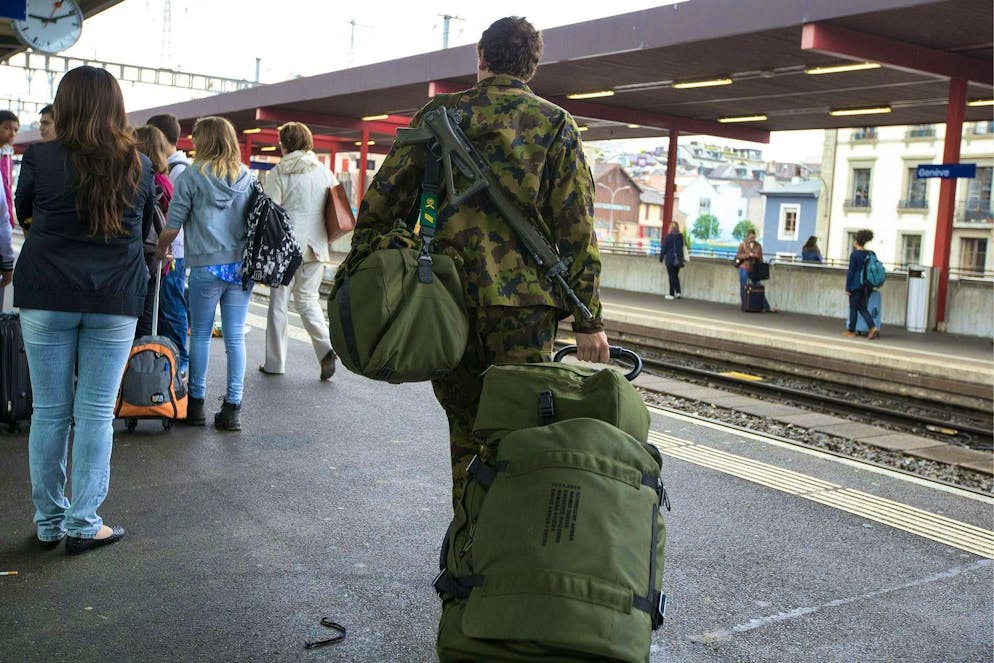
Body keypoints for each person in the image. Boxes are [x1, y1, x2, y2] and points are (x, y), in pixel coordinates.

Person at [353, 16, 609, 504]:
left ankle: (468, 537)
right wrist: (588, 320)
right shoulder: (555, 124)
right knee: (522, 430)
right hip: (527, 312)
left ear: (481, 56)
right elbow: (576, 229)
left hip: (447, 302)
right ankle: (511, 538)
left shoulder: (439, 115)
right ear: (532, 66)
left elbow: (381, 204)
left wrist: (374, 272)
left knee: (466, 430)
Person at [13, 66, 154, 554]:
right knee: (95, 414)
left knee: (50, 412)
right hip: (114, 298)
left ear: (65, 105)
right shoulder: (139, 164)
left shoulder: (41, 156)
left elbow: (24, 213)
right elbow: (141, 228)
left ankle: (49, 522)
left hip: (46, 292)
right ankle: (83, 523)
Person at [155, 116, 253, 431]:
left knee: (199, 334)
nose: (193, 142)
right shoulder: (247, 177)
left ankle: (195, 405)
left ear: (205, 140)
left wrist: (160, 249)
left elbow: (173, 225)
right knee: (235, 337)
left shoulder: (191, 176)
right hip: (241, 268)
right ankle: (233, 408)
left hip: (206, 267)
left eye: (196, 137)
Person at [259, 122, 337, 380]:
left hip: (286, 249)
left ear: (284, 144)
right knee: (308, 300)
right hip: (316, 247)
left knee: (278, 305)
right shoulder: (324, 172)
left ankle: (275, 363)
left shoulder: (280, 172)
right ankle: (325, 349)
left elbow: (270, 212)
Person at [146, 113, 190, 377]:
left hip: (173, 251)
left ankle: (180, 360)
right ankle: (166, 360)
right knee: (163, 308)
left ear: (160, 136)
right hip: (164, 249)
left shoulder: (178, 170)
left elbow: (175, 216)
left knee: (173, 306)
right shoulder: (169, 168)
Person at [134, 125, 178, 343]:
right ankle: (143, 358)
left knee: (138, 316)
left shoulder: (147, 179)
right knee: (149, 315)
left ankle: (134, 358)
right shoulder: (165, 181)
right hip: (159, 257)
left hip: (146, 250)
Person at [844, 228, 879, 340]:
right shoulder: (871, 254)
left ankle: (851, 331)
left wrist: (848, 287)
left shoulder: (854, 255)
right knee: (862, 307)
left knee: (853, 307)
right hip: (867, 285)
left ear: (856, 242)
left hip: (856, 284)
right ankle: (872, 327)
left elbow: (851, 272)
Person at [735, 229, 775, 312]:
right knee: (743, 286)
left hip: (754, 268)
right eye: (750, 237)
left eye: (753, 237)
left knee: (758, 285)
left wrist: (761, 267)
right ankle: (744, 306)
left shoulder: (758, 246)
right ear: (747, 236)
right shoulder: (743, 244)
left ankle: (766, 307)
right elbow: (738, 255)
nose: (752, 239)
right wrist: (748, 255)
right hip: (744, 267)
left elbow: (760, 258)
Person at [0, 110, 19, 230]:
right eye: (7, 128)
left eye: (16, 130)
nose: (12, 133)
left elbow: (7, 188)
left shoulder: (7, 154)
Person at [659, 221, 686, 300]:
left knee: (671, 276)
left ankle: (671, 294)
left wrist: (661, 258)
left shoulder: (668, 237)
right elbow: (682, 248)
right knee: (675, 276)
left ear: (670, 228)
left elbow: (664, 249)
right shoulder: (681, 237)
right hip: (678, 260)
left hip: (670, 260)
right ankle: (678, 293)